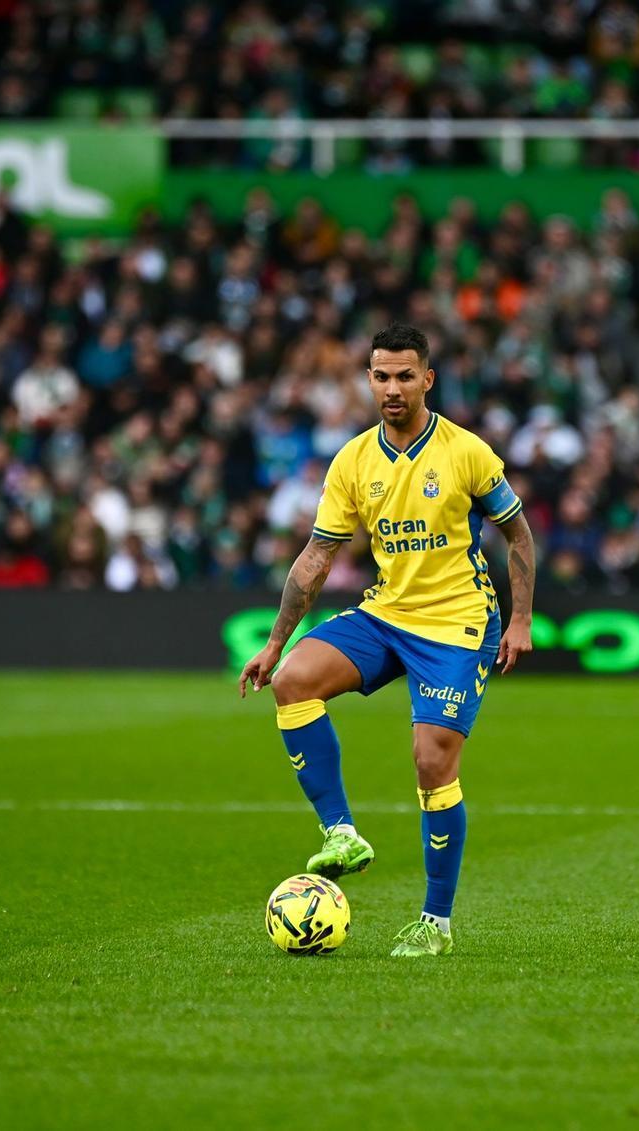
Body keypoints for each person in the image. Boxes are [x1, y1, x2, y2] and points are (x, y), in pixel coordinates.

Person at [239, 323, 535, 958]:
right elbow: (316, 558)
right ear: (368, 379)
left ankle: (436, 923)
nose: (393, 388)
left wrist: (520, 621)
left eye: (405, 375)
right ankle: (342, 833)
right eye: (381, 376)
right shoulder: (353, 460)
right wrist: (274, 643)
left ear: (428, 378)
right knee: (292, 680)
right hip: (387, 614)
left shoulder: (467, 452)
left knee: (432, 763)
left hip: (457, 625)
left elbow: (518, 535)